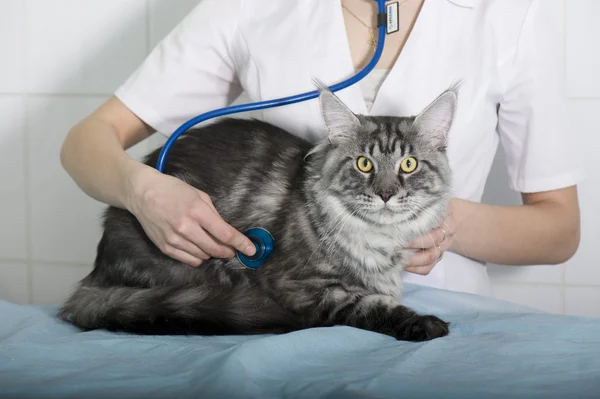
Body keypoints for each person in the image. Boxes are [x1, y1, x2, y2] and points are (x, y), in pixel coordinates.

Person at [60, 0, 584, 297]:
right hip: (282, 302)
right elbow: (85, 143)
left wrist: (448, 224)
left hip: (444, 307)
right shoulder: (247, 8)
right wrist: (144, 190)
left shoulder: (515, 13)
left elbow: (558, 231)